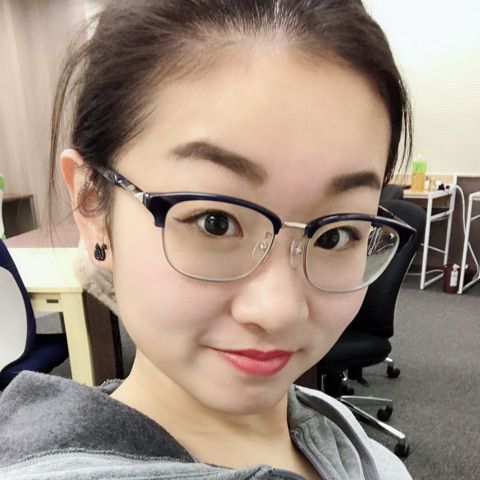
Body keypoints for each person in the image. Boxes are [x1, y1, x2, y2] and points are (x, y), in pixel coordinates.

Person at [0, 1, 415, 479]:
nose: (280, 311)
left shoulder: (341, 429)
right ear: (93, 205)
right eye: (215, 221)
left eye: (337, 234)